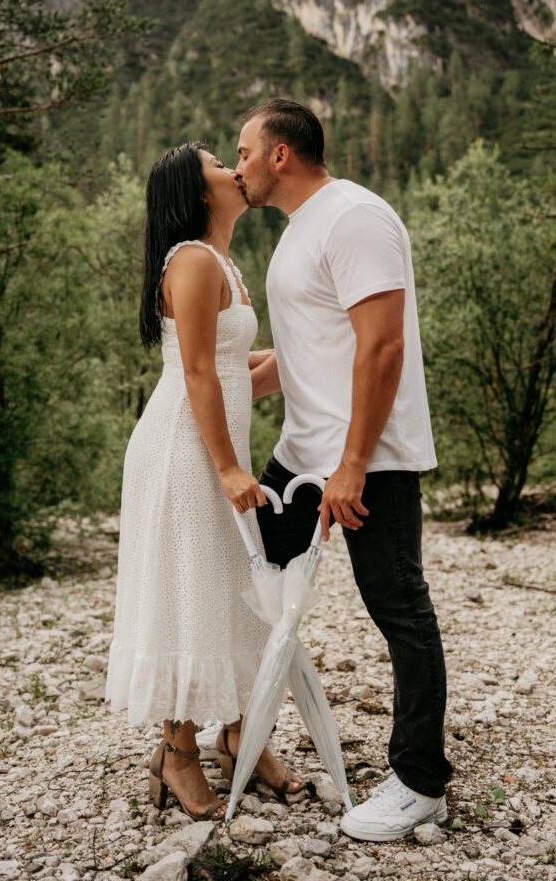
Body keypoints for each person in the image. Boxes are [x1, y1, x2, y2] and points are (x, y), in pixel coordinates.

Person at [235, 99, 453, 842]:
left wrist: (354, 462)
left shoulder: (355, 217)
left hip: (366, 461)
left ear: (280, 156)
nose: (237, 168)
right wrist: (198, 383)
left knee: (398, 609)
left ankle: (420, 781)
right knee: (245, 581)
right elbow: (302, 360)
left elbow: (381, 347)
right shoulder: (300, 232)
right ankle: (240, 729)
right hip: (301, 453)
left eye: (243, 153)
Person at [105, 142, 303, 821]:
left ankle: (240, 734)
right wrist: (226, 466)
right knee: (187, 591)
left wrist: (307, 352)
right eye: (220, 163)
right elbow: (195, 373)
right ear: (196, 190)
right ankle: (177, 751)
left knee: (232, 592)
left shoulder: (222, 263)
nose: (234, 169)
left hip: (210, 445)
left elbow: (229, 368)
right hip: (182, 452)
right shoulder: (190, 260)